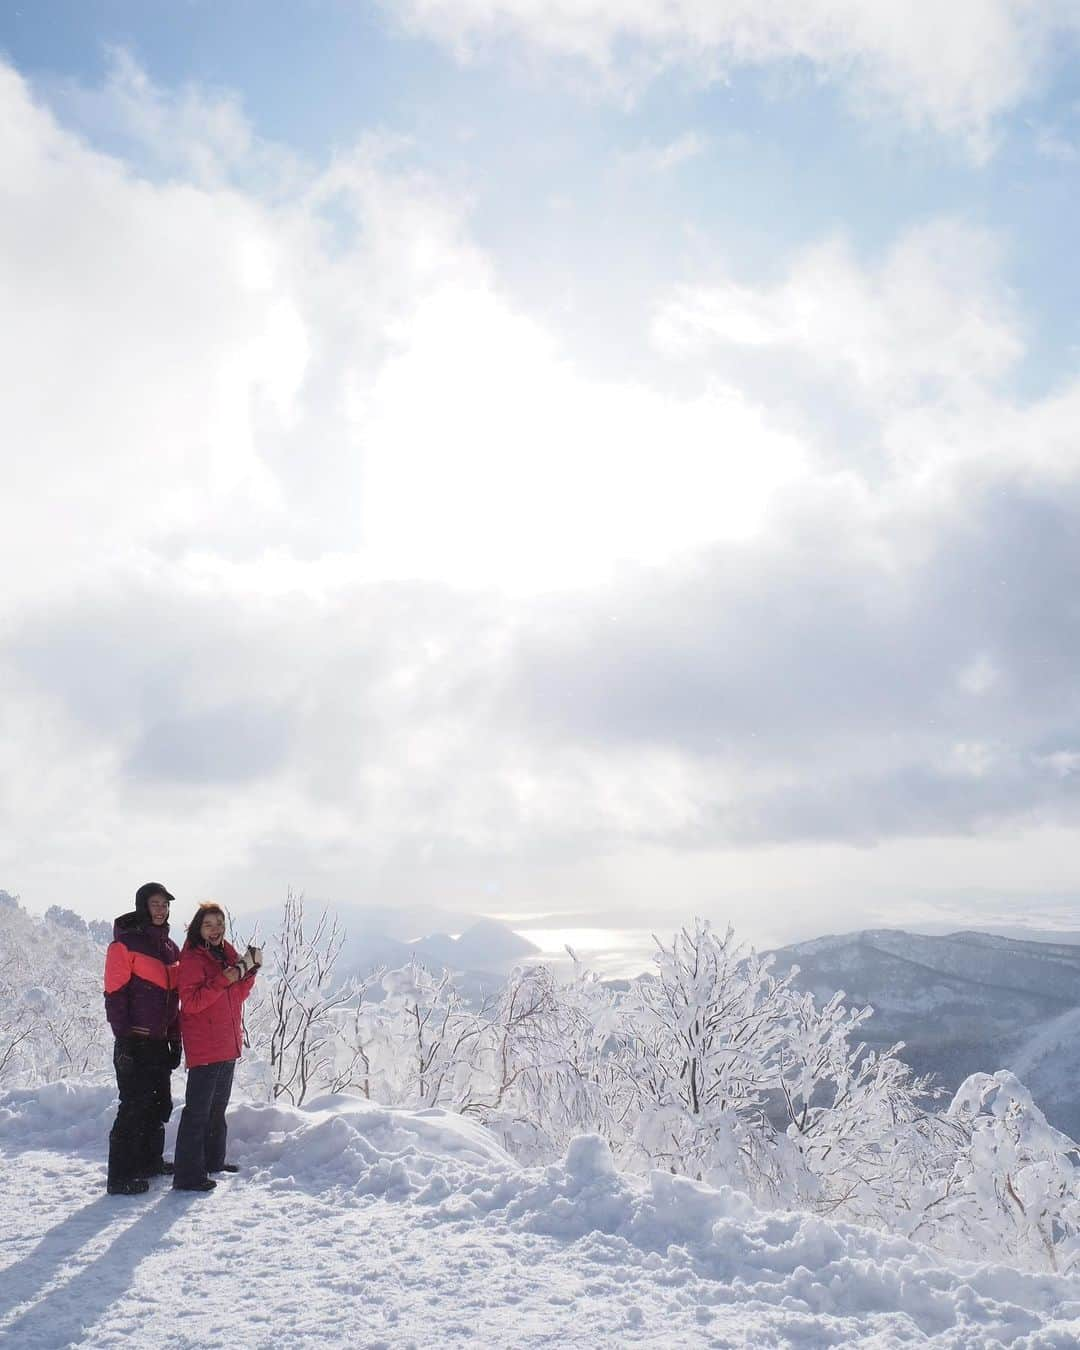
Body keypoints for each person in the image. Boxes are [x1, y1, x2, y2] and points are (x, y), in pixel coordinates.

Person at [173, 902, 260, 1193]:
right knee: (197, 1111)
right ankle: (187, 1175)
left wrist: (248, 972)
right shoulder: (192, 959)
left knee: (216, 1109)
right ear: (198, 927)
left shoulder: (227, 953)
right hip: (205, 1045)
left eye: (219, 923)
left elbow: (237, 995)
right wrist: (226, 977)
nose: (215, 929)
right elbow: (193, 1003)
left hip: (226, 1042)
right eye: (208, 924)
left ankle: (212, 1162)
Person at [103, 881, 182, 1195]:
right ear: (142, 907)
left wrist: (175, 1039)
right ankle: (119, 1177)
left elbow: (173, 999)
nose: (161, 910)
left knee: (158, 1104)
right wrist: (122, 1040)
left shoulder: (171, 949)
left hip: (159, 1041)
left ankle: (150, 1162)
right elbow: (115, 995)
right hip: (134, 1040)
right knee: (133, 1106)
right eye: (155, 904)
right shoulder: (124, 945)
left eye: (165, 904)